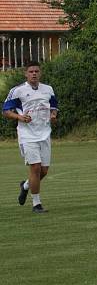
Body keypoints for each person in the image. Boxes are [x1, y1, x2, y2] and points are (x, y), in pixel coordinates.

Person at [3, 62, 59, 213]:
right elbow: (6, 111)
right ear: (25, 73)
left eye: (36, 71)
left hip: (44, 133)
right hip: (27, 135)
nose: (34, 73)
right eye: (31, 71)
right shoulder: (18, 91)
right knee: (35, 167)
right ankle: (36, 204)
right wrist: (20, 117)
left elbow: (53, 106)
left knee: (44, 171)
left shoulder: (48, 89)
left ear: (40, 73)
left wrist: (53, 115)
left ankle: (26, 186)